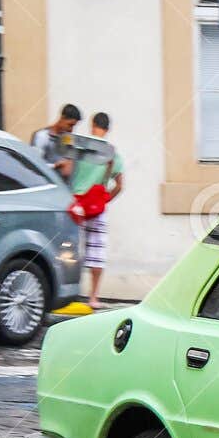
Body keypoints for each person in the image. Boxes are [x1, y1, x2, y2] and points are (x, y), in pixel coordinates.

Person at [68, 112, 124, 308]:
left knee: (70, 250)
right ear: (107, 129)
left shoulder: (80, 148)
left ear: (92, 125)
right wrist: (103, 199)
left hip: (76, 204)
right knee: (96, 251)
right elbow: (119, 185)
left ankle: (70, 294)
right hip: (96, 207)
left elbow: (67, 172)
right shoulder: (112, 154)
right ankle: (93, 297)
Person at [31, 103, 81, 181]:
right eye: (70, 125)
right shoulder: (42, 136)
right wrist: (55, 166)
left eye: (74, 126)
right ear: (62, 118)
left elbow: (69, 164)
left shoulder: (68, 138)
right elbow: (35, 164)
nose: (71, 129)